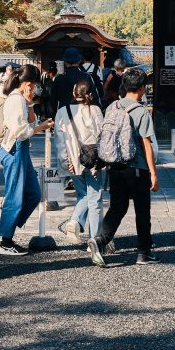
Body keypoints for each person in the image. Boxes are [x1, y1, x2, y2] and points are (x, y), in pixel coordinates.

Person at [88, 67, 160, 267]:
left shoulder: (112, 107)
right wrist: (154, 173)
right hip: (137, 168)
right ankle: (144, 253)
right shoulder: (141, 112)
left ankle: (100, 240)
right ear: (143, 88)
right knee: (142, 210)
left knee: (118, 207)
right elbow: (147, 145)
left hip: (115, 166)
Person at [0, 64, 54, 255]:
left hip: (20, 150)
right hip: (14, 149)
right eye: (35, 84)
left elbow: (30, 122)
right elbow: (22, 132)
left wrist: (30, 104)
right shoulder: (15, 100)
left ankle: (4, 226)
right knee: (16, 195)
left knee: (34, 194)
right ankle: (6, 241)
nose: (37, 88)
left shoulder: (22, 99)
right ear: (28, 84)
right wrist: (42, 127)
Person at [53, 76, 105, 243]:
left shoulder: (62, 112)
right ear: (89, 94)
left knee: (82, 194)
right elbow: (102, 136)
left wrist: (64, 161)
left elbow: (60, 141)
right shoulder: (95, 110)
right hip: (94, 161)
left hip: (73, 161)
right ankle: (94, 239)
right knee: (95, 197)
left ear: (73, 93)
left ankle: (76, 222)